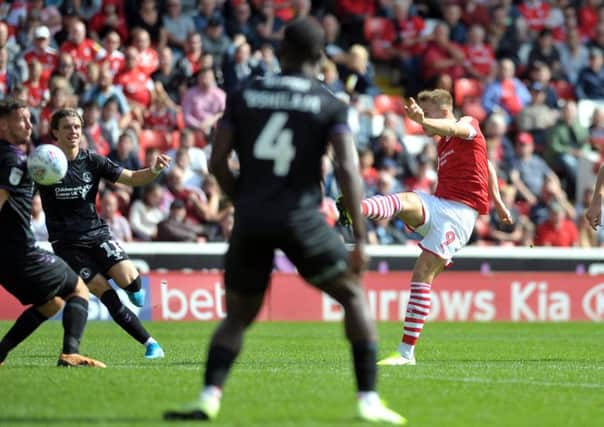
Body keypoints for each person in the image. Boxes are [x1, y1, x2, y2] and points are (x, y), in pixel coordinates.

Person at [163, 18, 405, 425]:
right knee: (352, 295)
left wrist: (242, 197)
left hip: (253, 217)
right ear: (319, 55)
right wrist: (360, 236)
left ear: (282, 51)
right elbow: (347, 167)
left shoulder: (246, 92)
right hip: (303, 218)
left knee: (238, 316)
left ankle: (208, 398)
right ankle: (368, 401)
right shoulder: (329, 102)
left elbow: (217, 161)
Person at [338, 89, 512, 366]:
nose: (424, 121)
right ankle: (354, 208)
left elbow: (455, 127)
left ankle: (406, 353)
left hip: (460, 215)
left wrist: (424, 121)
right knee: (405, 199)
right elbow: (488, 164)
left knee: (422, 274)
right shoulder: (445, 142)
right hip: (440, 204)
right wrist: (500, 203)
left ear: (443, 112)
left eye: (428, 113)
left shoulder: (468, 124)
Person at [36, 108, 170, 359]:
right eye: (67, 127)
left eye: (77, 126)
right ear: (55, 132)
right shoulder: (43, 164)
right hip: (67, 244)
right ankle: (151, 344)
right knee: (105, 294)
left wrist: (154, 171)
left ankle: (133, 287)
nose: (73, 131)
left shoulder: (92, 160)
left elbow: (130, 178)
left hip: (97, 234)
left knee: (130, 281)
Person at [0, 98, 105, 367]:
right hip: (19, 251)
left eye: (30, 119)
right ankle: (70, 353)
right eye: (21, 119)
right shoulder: (12, 159)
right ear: (3, 124)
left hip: (7, 255)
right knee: (78, 289)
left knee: (52, 303)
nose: (28, 124)